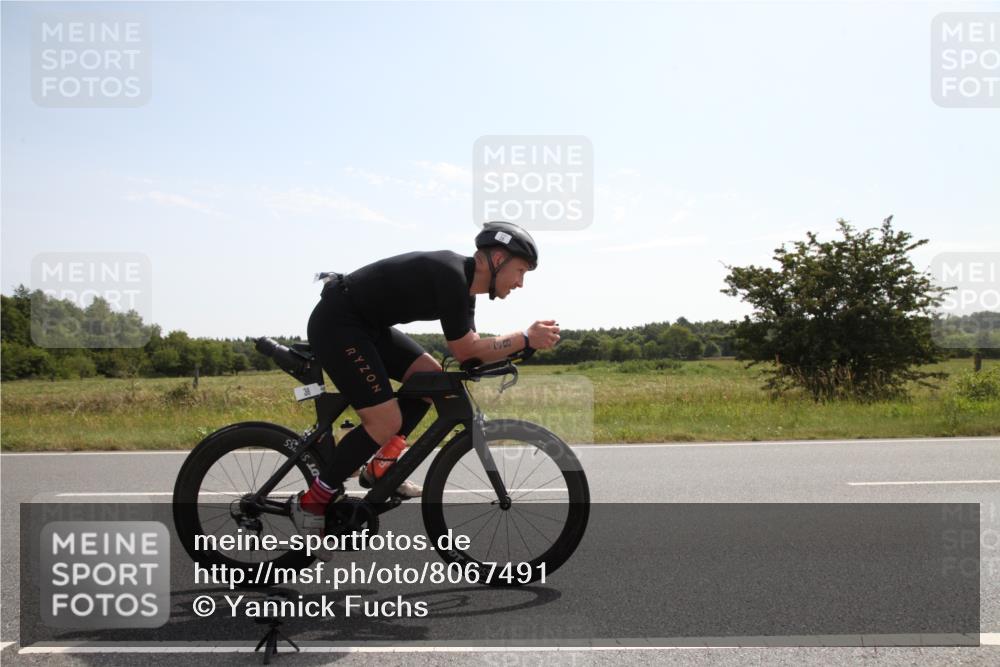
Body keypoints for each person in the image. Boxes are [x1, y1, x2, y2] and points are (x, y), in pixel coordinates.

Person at [289, 221, 561, 543]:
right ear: (499, 258)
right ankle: (312, 503)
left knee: (429, 381)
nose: (520, 283)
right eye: (521, 271)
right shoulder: (451, 275)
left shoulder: (465, 290)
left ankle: (381, 466)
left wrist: (523, 345)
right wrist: (525, 337)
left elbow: (469, 356)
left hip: (366, 326)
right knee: (384, 420)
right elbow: (466, 350)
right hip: (339, 324)